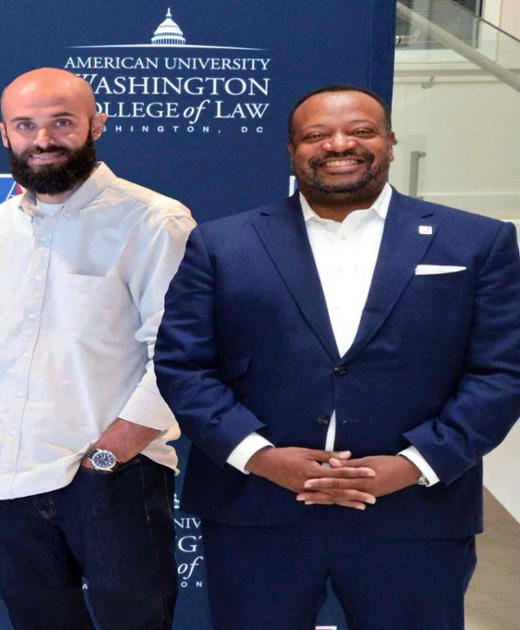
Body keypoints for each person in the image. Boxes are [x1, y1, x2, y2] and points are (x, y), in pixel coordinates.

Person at [155, 85, 520, 629]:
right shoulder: (221, 243)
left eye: (361, 131)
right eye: (316, 135)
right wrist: (259, 456)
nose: (339, 144)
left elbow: (502, 371)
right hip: (257, 507)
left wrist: (415, 464)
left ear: (390, 142)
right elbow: (183, 365)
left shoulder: (477, 241)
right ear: (292, 150)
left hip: (415, 510)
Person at [0, 67, 194, 630]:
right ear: (4, 134)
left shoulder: (154, 221)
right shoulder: (0, 225)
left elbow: (179, 353)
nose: (43, 139)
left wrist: (110, 455)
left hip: (111, 477)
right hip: (4, 476)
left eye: (62, 122)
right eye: (26, 125)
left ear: (97, 125)